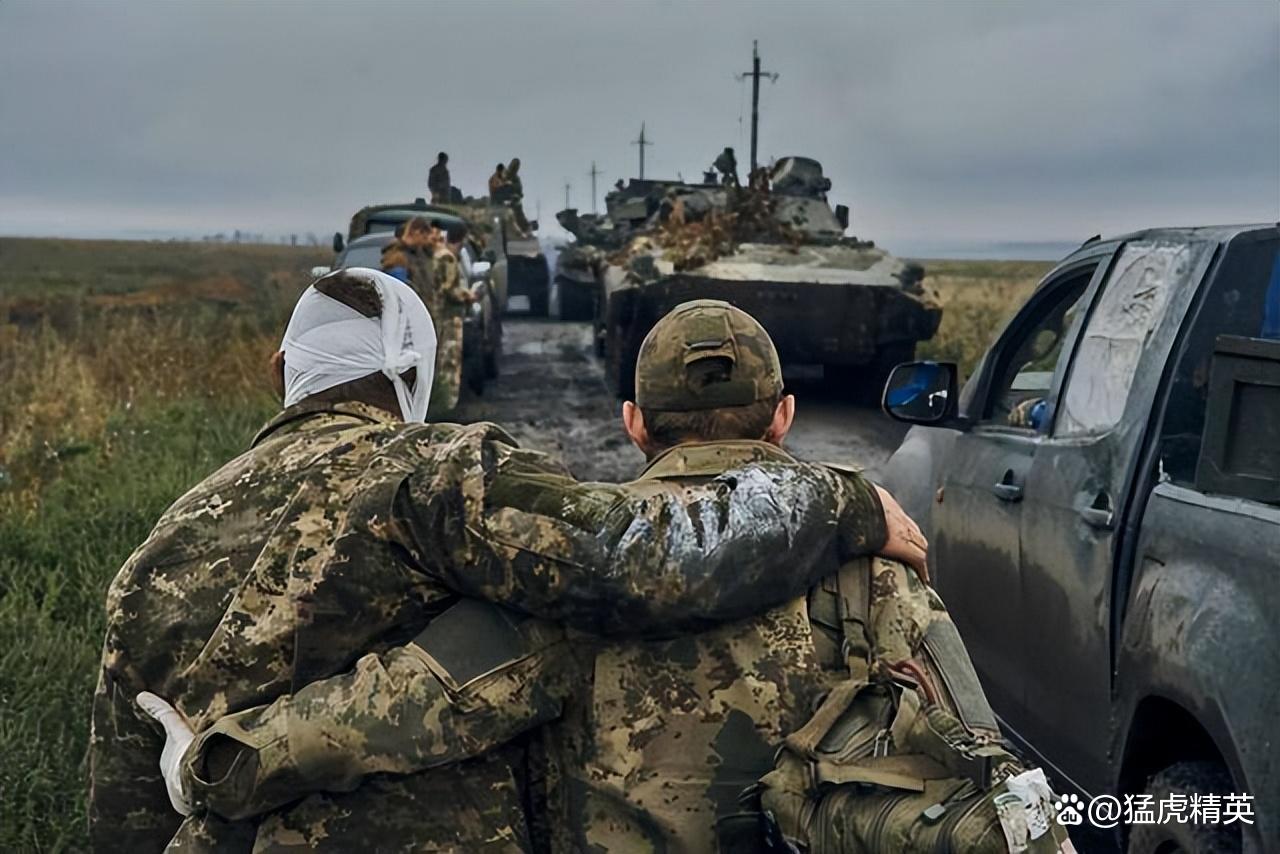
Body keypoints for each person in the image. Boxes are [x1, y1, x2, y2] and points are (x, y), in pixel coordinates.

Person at [137, 303, 1013, 853]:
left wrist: (218, 763)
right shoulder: (878, 565)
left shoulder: (570, 590)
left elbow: (396, 710)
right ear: (784, 415)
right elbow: (978, 765)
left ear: (633, 424)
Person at [430, 223, 475, 412]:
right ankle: (447, 405)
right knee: (449, 362)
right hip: (449, 316)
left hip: (437, 314)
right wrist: (469, 295)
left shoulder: (437, 255)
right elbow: (450, 289)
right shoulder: (447, 257)